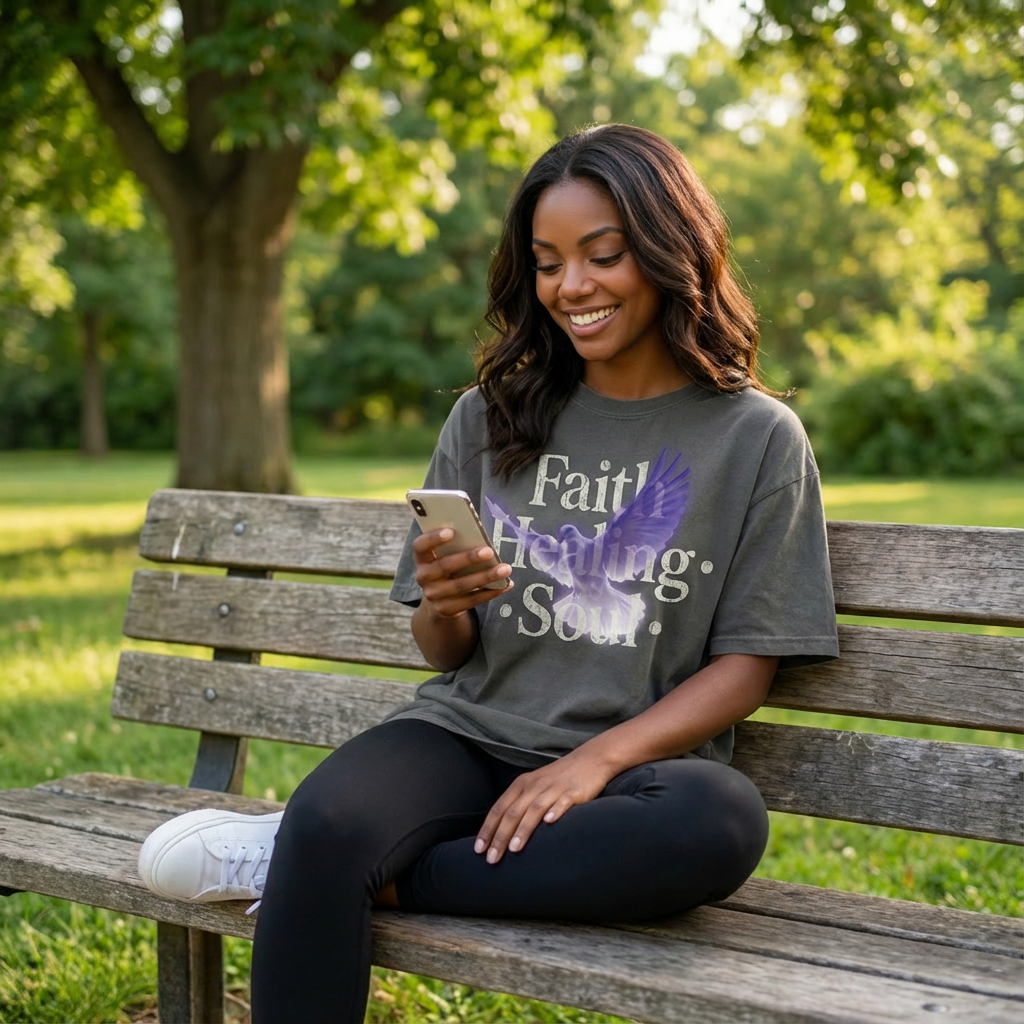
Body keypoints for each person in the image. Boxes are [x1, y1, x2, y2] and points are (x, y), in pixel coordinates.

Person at [137, 123, 839, 1023]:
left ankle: (337, 874)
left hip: (630, 775)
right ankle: (323, 854)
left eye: (603, 255)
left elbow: (747, 667)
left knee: (721, 824)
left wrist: (588, 764)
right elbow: (442, 651)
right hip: (465, 733)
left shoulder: (754, 437)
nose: (571, 287)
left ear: (671, 251)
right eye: (547, 263)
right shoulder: (488, 416)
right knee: (330, 817)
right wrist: (443, 600)